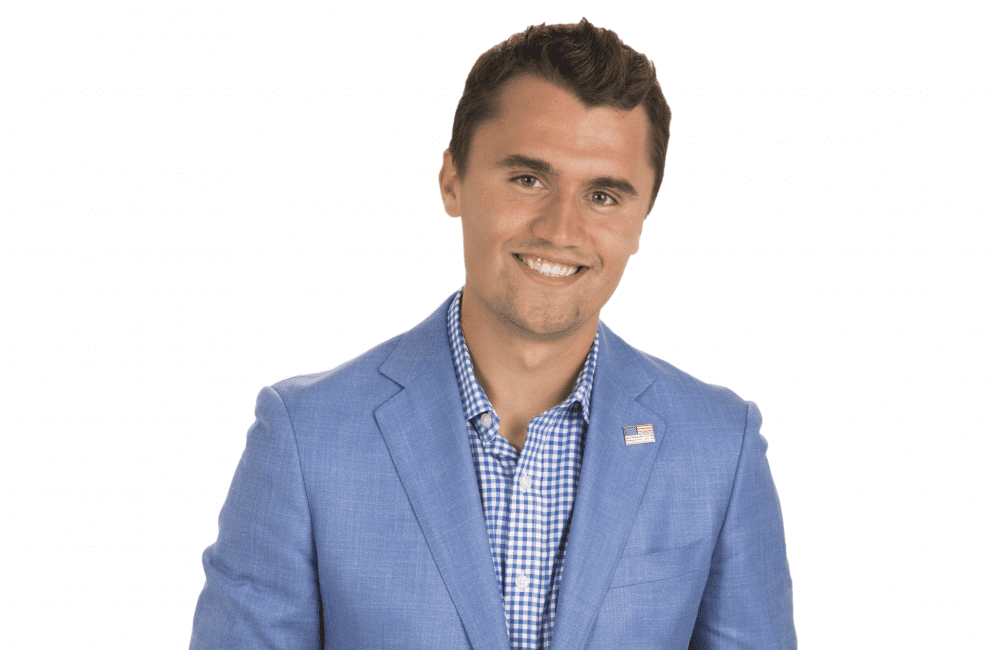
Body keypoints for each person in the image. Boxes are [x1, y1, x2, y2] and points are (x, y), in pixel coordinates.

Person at [190, 18, 795, 650]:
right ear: (452, 180)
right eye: (528, 179)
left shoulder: (719, 449)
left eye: (603, 196)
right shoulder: (304, 439)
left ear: (643, 216)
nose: (560, 230)